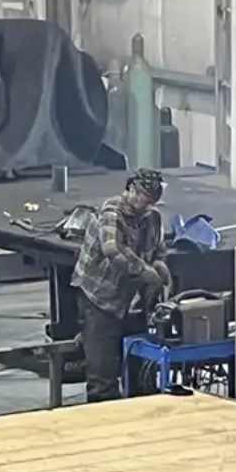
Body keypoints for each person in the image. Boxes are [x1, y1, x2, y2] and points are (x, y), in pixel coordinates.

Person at [72, 168, 171, 402]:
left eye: (150, 199)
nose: (144, 202)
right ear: (129, 189)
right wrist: (143, 270)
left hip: (130, 300)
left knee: (141, 368)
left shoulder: (152, 216)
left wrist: (159, 263)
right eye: (141, 195)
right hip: (99, 298)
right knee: (103, 374)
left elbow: (158, 247)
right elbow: (113, 249)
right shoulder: (111, 212)